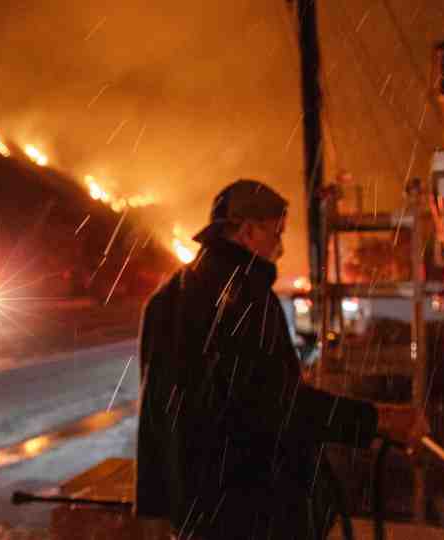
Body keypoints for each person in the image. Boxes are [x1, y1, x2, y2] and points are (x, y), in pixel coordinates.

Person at [135, 179, 427, 539]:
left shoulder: (166, 298)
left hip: (198, 518)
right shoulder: (247, 298)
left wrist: (151, 510)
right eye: (276, 234)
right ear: (247, 231)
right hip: (255, 515)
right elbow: (278, 408)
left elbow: (153, 415)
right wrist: (376, 419)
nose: (281, 247)